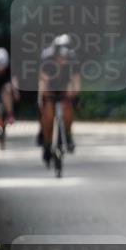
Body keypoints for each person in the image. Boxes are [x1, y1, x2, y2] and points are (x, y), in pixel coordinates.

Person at [38, 35, 80, 165]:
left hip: (64, 88)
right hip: (49, 87)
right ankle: (46, 144)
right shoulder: (47, 60)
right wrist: (41, 99)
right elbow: (43, 83)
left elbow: (76, 82)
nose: (63, 60)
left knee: (68, 109)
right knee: (48, 116)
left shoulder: (73, 61)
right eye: (60, 57)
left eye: (65, 57)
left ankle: (67, 134)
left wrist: (73, 94)